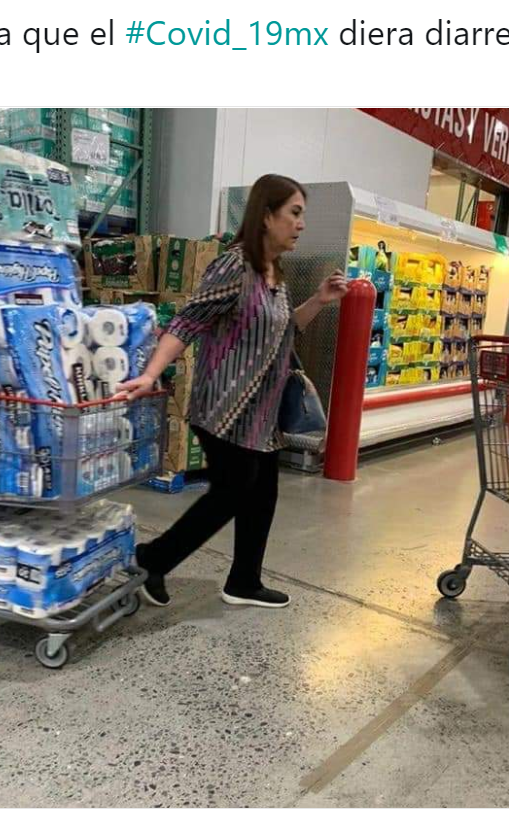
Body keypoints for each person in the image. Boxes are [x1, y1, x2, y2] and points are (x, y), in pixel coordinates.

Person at [118, 174, 348, 609]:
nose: (301, 224)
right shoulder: (235, 266)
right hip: (224, 408)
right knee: (231, 492)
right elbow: (188, 321)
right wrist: (150, 374)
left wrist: (319, 299)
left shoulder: (274, 273)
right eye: (294, 213)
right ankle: (152, 559)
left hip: (261, 414)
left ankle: (244, 580)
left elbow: (284, 332)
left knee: (263, 494)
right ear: (266, 216)